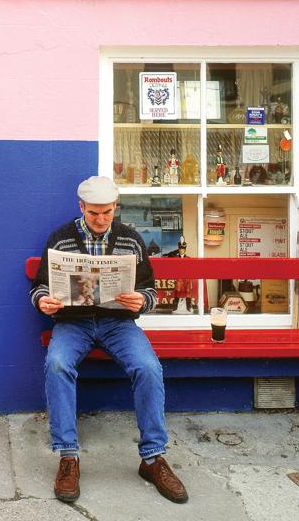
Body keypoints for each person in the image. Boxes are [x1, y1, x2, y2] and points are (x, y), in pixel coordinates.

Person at [29, 175, 188, 505]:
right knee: (57, 364)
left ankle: (153, 458)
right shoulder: (61, 239)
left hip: (118, 323)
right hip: (74, 323)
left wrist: (141, 301)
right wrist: (44, 300)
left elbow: (149, 290)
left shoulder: (130, 240)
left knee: (148, 367)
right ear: (81, 208)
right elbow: (40, 287)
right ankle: (68, 456)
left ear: (116, 208)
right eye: (93, 213)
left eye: (107, 212)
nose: (101, 220)